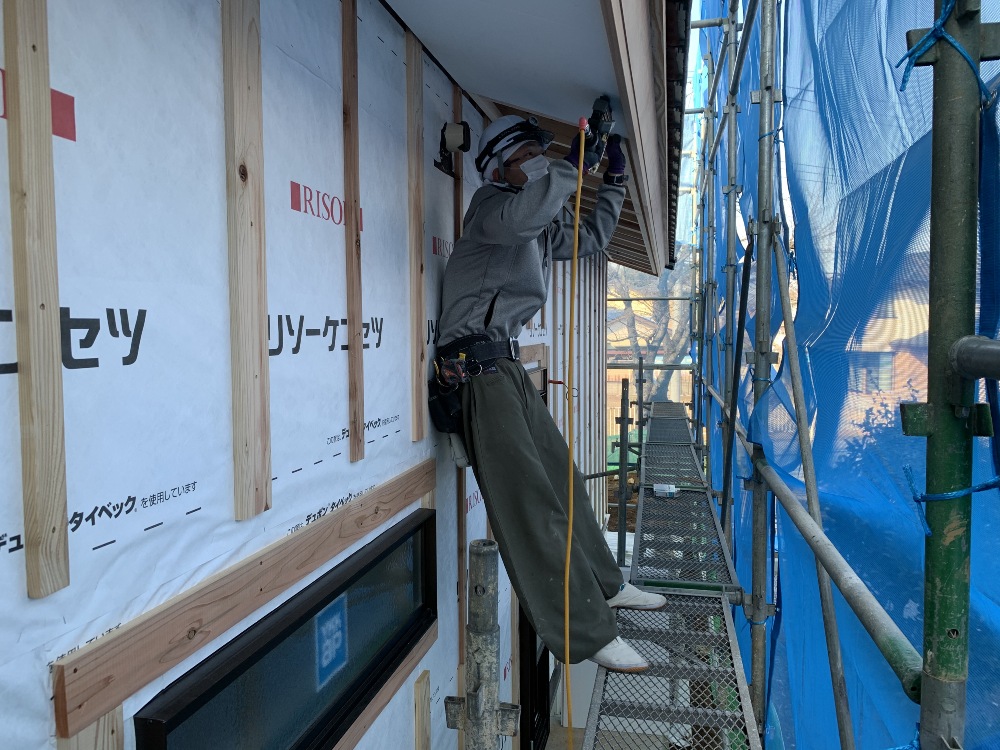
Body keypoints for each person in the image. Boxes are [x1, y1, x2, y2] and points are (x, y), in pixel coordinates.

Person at [435, 114, 666, 673]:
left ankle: (606, 585)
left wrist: (610, 181)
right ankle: (584, 632)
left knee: (564, 483)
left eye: (545, 154)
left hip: (505, 369)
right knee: (531, 505)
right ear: (500, 165)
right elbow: (524, 215)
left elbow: (587, 240)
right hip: (475, 374)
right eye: (531, 156)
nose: (541, 162)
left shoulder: (532, 222)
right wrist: (567, 168)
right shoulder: (492, 210)